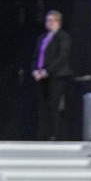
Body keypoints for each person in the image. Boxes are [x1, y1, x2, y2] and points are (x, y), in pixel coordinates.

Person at [32, 10, 72, 141]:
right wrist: (35, 70)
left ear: (58, 22)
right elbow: (36, 56)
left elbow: (61, 57)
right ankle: (43, 134)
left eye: (52, 20)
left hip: (57, 76)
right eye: (48, 20)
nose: (49, 23)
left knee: (54, 106)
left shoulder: (63, 37)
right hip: (42, 76)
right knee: (43, 107)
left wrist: (46, 71)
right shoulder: (42, 37)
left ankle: (55, 134)